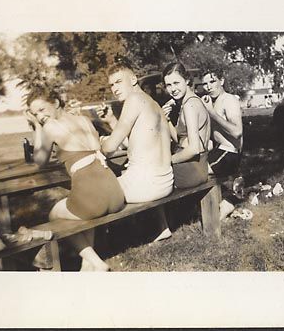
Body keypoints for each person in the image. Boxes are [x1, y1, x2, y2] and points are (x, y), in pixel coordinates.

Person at [25, 87, 125, 271]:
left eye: (42, 110)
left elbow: (39, 161)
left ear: (55, 103)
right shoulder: (84, 120)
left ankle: (96, 263)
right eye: (34, 114)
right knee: (81, 205)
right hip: (116, 194)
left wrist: (37, 127)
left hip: (95, 200)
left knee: (54, 215)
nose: (40, 116)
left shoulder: (50, 126)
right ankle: (87, 263)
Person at [99, 59, 174, 241]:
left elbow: (109, 149)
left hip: (146, 186)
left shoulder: (133, 99)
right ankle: (162, 227)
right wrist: (111, 121)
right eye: (111, 85)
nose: (114, 88)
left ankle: (98, 243)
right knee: (127, 169)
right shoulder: (152, 103)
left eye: (118, 82)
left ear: (133, 79)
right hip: (166, 182)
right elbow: (131, 143)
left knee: (93, 190)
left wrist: (100, 143)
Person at [161, 62, 211, 189]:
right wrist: (167, 120)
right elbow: (180, 139)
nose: (173, 89)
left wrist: (167, 161)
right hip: (196, 168)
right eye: (169, 85)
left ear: (187, 80)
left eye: (176, 83)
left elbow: (194, 149)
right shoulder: (189, 102)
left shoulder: (190, 105)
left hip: (191, 170)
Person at [201, 68, 243, 177]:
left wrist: (212, 113)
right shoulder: (211, 101)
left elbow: (237, 132)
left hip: (229, 153)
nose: (209, 87)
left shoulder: (229, 100)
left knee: (193, 173)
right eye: (205, 84)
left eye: (212, 81)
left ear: (222, 81)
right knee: (189, 167)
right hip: (217, 150)